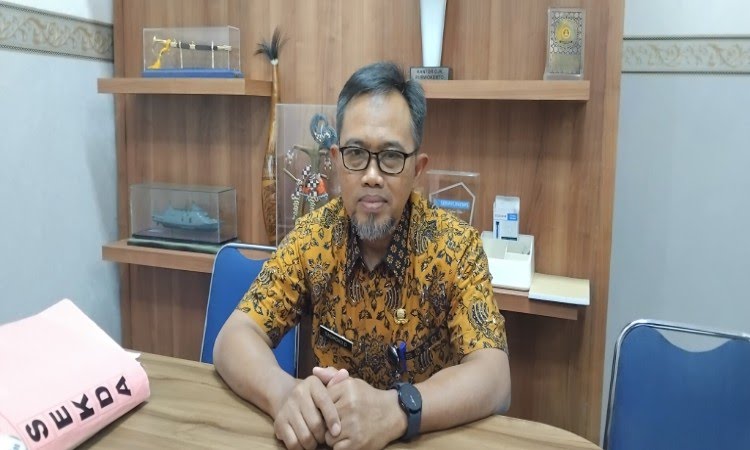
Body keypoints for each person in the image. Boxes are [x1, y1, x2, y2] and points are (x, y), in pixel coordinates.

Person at [214, 61, 511, 450]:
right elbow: (234, 337)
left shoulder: (455, 248)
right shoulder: (312, 240)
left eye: (391, 156)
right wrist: (283, 394)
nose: (371, 175)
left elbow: (494, 377)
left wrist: (398, 410)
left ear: (417, 168)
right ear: (337, 161)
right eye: (356, 153)